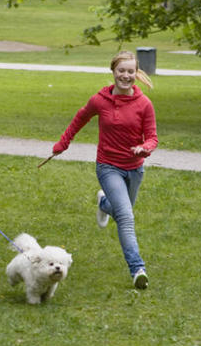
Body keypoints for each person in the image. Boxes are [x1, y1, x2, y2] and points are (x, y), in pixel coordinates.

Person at [52, 50, 158, 290]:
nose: (126, 76)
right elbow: (80, 118)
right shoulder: (100, 100)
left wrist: (144, 148)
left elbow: (152, 137)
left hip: (135, 169)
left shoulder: (144, 104)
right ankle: (137, 269)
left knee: (122, 210)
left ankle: (103, 203)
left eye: (130, 71)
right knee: (126, 217)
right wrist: (63, 143)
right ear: (113, 72)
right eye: (121, 71)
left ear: (136, 73)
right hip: (108, 167)